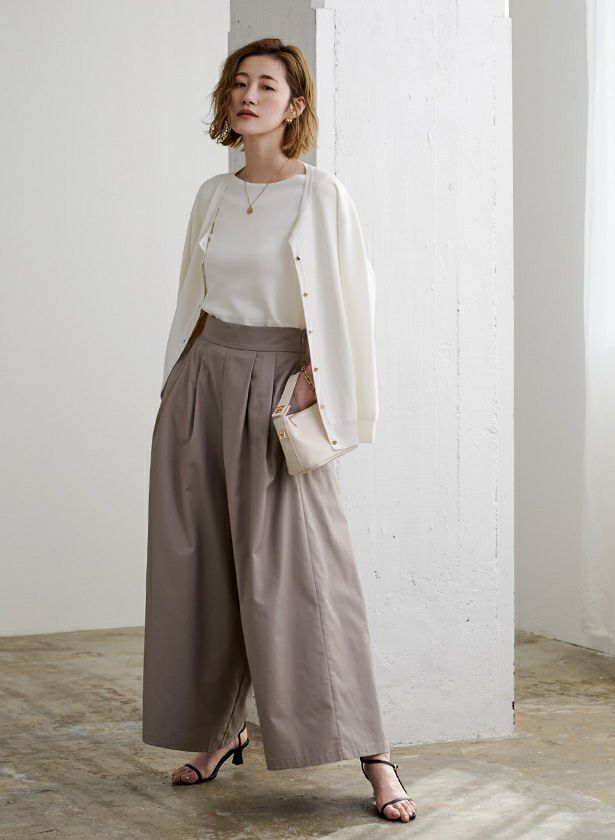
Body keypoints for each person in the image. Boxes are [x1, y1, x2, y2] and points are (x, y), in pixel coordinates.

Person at [141, 38, 417, 823]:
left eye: (267, 86)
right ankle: (218, 732)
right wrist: (179, 389)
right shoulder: (213, 194)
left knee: (307, 577)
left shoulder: (321, 195)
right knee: (203, 572)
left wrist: (312, 381)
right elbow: (194, 297)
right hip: (203, 385)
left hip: (278, 389)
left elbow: (354, 301)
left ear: (294, 107)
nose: (248, 95)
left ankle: (377, 756)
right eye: (240, 82)